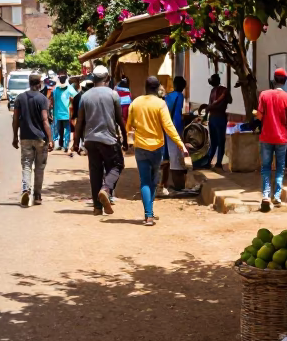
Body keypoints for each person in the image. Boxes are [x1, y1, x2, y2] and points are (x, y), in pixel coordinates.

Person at [127, 75, 188, 226]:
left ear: (145, 87)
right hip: (157, 148)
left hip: (140, 146)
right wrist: (181, 144)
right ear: (158, 87)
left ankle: (149, 214)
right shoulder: (160, 104)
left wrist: (130, 136)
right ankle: (149, 213)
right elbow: (169, 127)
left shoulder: (135, 103)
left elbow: (129, 124)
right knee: (154, 181)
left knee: (145, 181)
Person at [74, 65, 128, 215]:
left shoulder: (85, 96)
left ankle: (97, 207)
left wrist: (75, 143)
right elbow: (119, 119)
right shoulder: (113, 94)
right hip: (109, 139)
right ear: (107, 79)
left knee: (95, 172)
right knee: (117, 165)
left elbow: (79, 121)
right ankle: (106, 189)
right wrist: (124, 139)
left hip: (90, 140)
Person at [11, 72, 53, 207]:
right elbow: (45, 120)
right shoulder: (42, 99)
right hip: (41, 138)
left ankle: (26, 189)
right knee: (39, 168)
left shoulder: (20, 98)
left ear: (29, 83)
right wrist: (51, 138)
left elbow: (15, 120)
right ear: (39, 84)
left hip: (25, 137)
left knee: (26, 165)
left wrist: (14, 137)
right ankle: (38, 196)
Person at [256, 68, 287, 211]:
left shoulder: (264, 95)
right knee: (280, 167)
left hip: (266, 136)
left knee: (266, 167)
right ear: (285, 81)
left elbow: (259, 116)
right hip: (281, 138)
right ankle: (277, 196)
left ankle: (266, 195)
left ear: (274, 79)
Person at [161, 76, 189, 194]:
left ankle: (164, 184)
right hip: (175, 128)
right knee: (176, 157)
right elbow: (178, 115)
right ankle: (178, 185)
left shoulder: (168, 96)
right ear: (183, 87)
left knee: (166, 157)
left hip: (166, 127)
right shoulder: (180, 96)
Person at [205, 73, 230, 170]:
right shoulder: (216, 90)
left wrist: (211, 107)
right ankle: (212, 161)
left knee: (218, 141)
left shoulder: (222, 91)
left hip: (217, 117)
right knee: (217, 141)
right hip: (215, 118)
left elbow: (227, 101)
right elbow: (210, 104)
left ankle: (215, 162)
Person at [51, 74, 77, 152]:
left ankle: (59, 145)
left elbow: (52, 99)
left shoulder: (56, 89)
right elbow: (75, 97)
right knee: (66, 130)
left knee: (58, 130)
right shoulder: (69, 88)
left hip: (57, 113)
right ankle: (65, 145)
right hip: (66, 113)